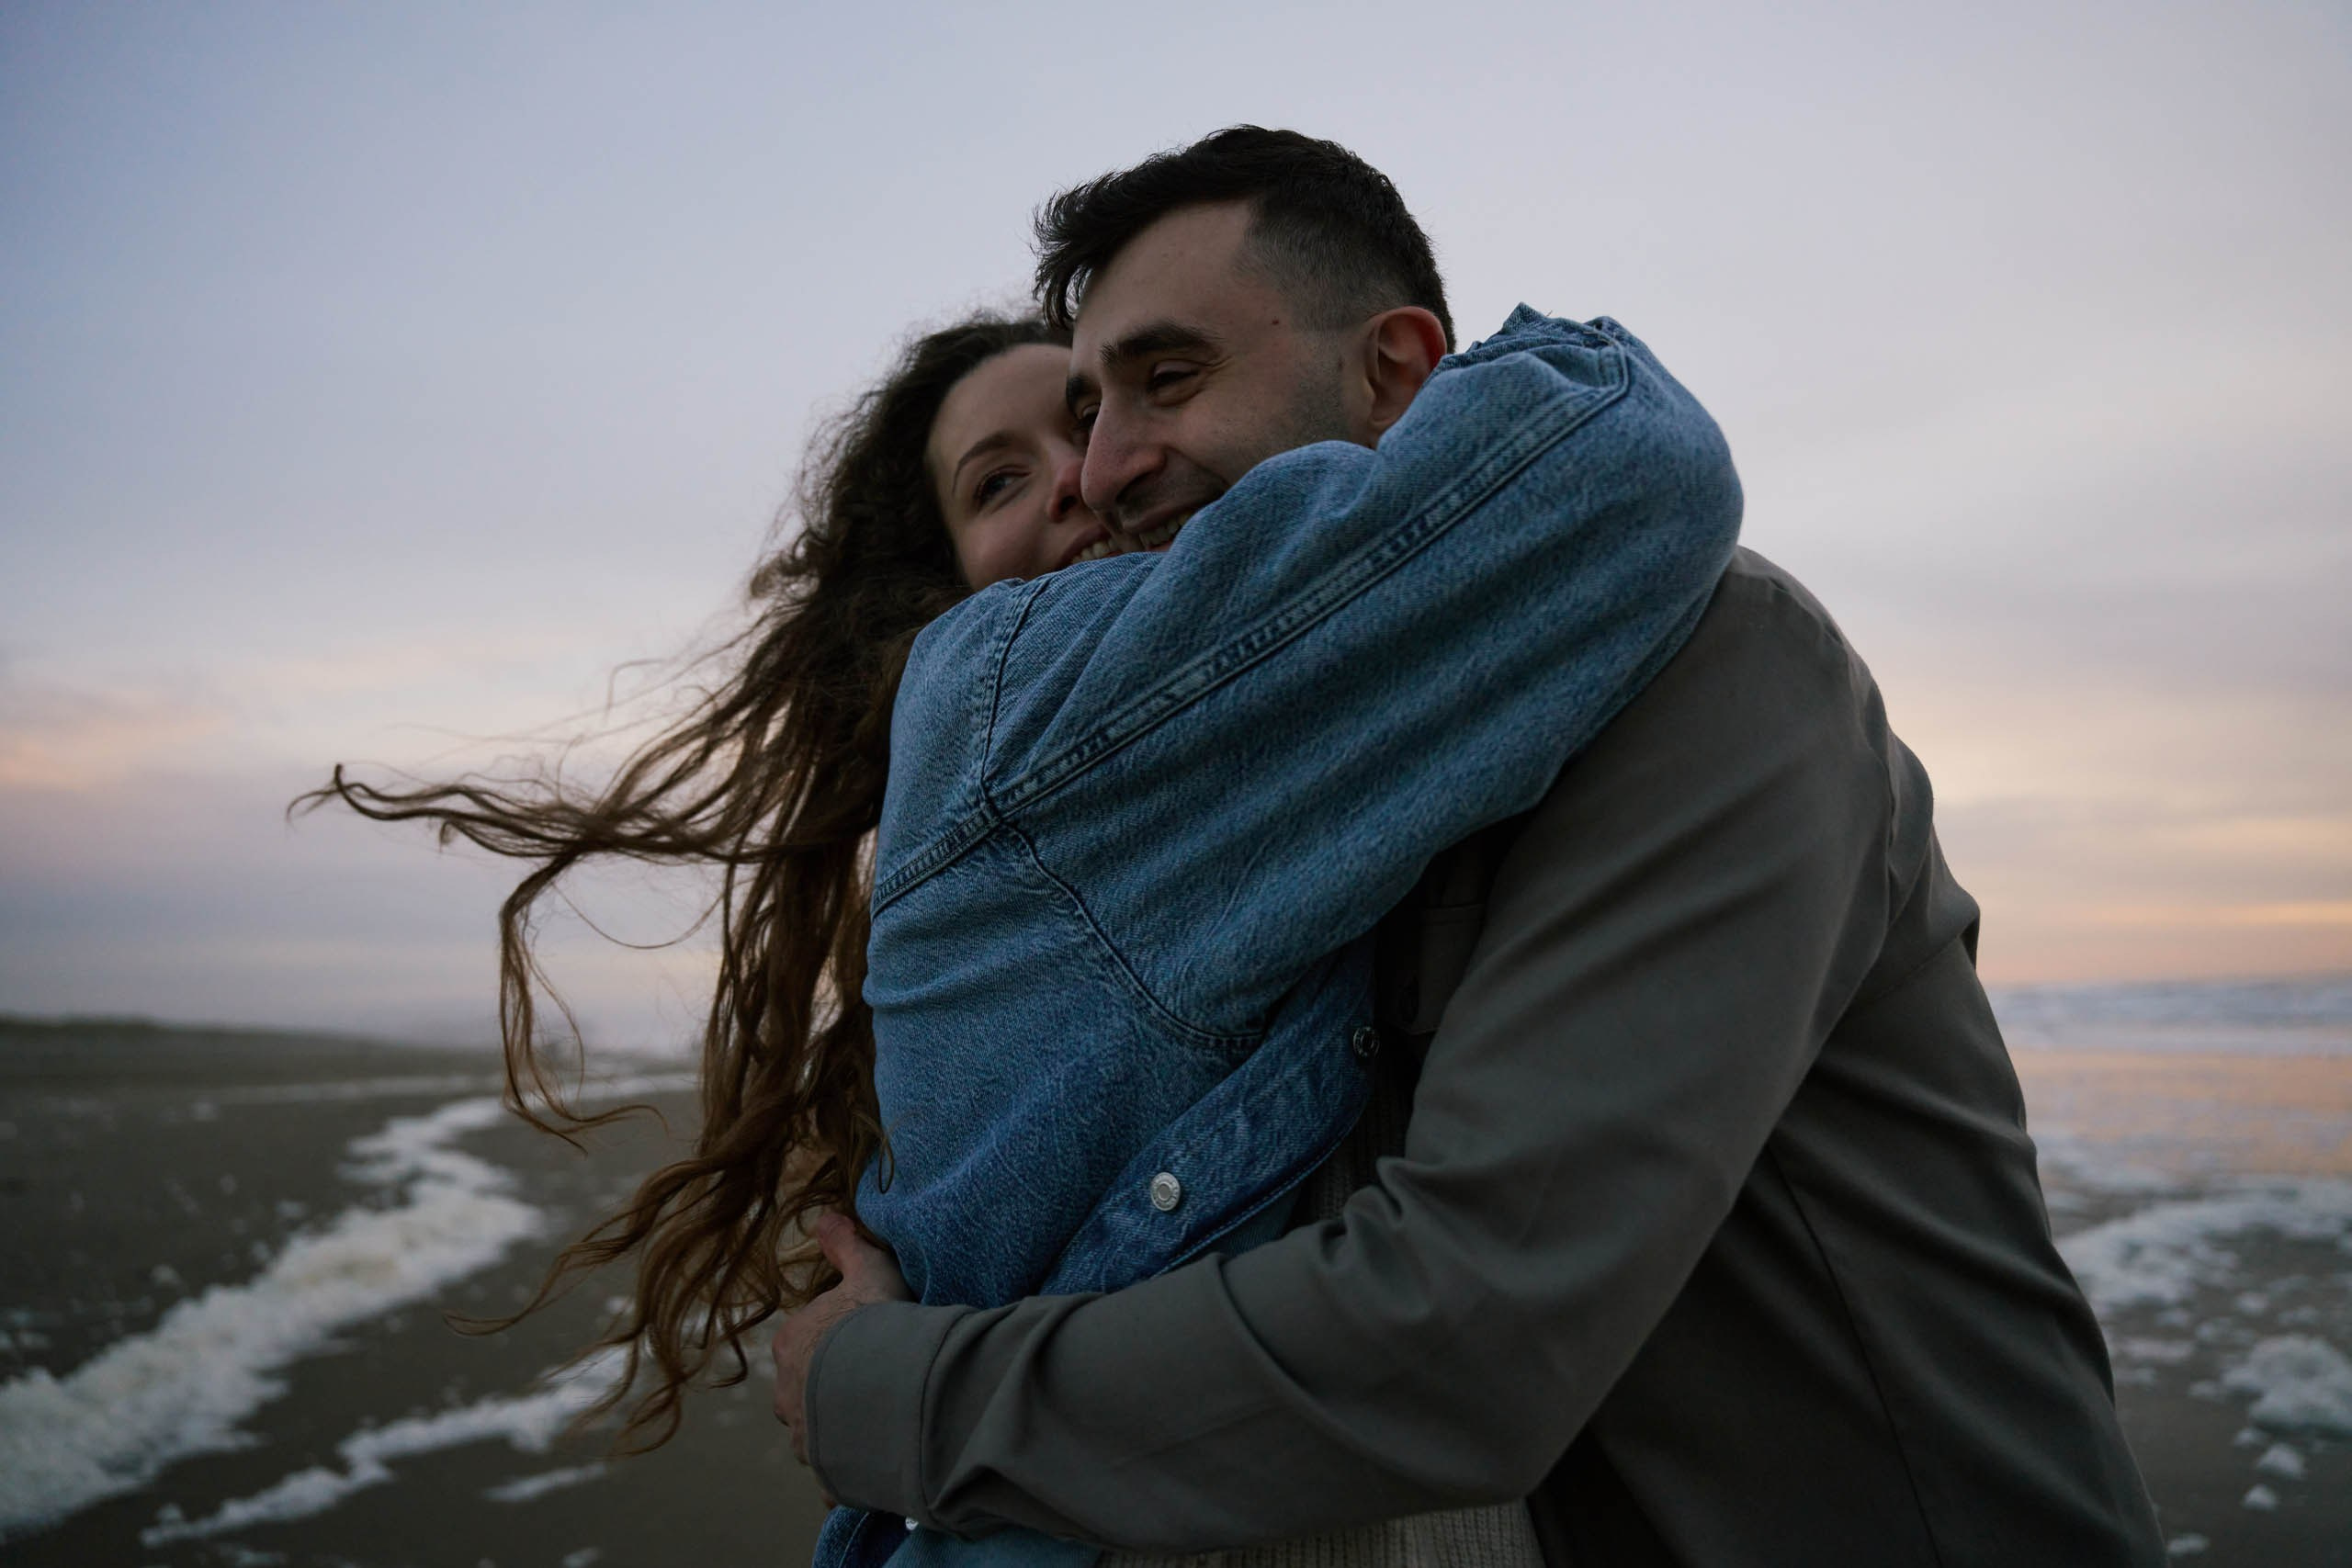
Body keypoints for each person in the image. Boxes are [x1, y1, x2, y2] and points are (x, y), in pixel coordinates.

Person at [774, 128, 2170, 1567]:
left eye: (1168, 378)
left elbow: (1463, 1336)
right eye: (1085, 414)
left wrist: (891, 1391)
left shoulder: (1725, 661)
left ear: (1399, 371)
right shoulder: (1278, 823)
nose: (1106, 470)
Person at [301, 311, 1106, 1452]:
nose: (1076, 477)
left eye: (1094, 419)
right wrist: (899, 1374)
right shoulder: (978, 886)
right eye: (997, 483)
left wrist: (893, 1380)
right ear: (941, 592)